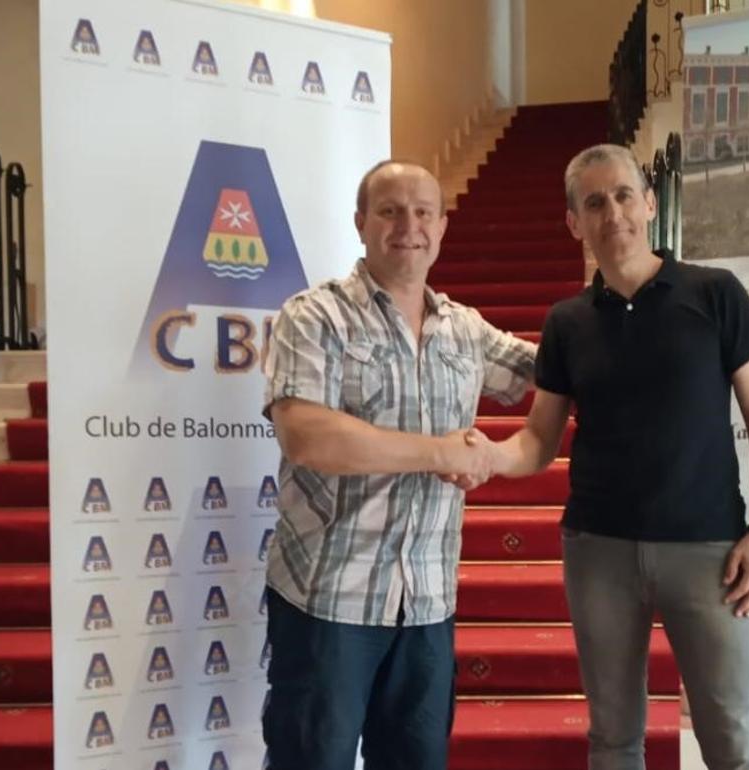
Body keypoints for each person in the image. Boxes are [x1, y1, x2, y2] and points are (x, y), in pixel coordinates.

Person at [473, 144, 749, 770]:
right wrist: (488, 458)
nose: (611, 212)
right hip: (599, 553)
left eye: (622, 195)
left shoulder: (715, 293)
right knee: (613, 738)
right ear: (574, 224)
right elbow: (538, 440)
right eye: (593, 203)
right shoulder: (567, 322)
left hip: (709, 551)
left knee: (731, 738)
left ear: (648, 203)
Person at [260, 159, 535, 770]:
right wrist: (440, 451)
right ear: (360, 223)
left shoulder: (465, 329)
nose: (407, 225)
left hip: (428, 604)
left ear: (441, 226)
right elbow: (306, 435)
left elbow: (550, 371)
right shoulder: (314, 316)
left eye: (422, 212)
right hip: (328, 602)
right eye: (389, 211)